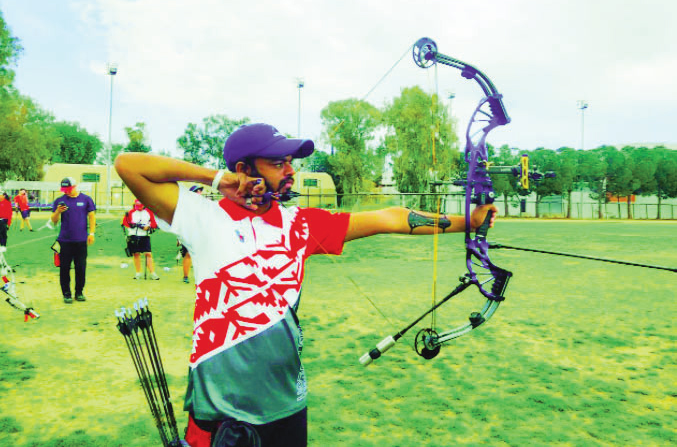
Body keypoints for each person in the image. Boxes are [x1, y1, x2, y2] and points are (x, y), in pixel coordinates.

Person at [115, 123, 497, 447]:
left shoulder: (300, 224)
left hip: (287, 405)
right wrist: (219, 180)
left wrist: (470, 221)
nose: (290, 171)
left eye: (291, 163)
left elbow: (389, 217)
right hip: (221, 409)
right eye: (278, 163)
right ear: (244, 169)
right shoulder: (202, 216)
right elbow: (128, 165)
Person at [51, 177, 96, 303]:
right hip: (64, 241)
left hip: (81, 241)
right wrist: (58, 212)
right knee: (64, 268)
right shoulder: (60, 201)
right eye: (64, 190)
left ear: (75, 186)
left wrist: (91, 233)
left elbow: (92, 217)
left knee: (80, 267)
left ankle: (79, 292)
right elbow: (54, 221)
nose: (66, 192)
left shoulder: (86, 199)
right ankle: (66, 293)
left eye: (69, 189)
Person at [122, 199, 160, 280]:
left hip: (145, 236)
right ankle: (138, 273)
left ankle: (152, 273)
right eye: (137, 206)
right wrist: (131, 225)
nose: (138, 208)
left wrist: (148, 227)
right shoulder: (130, 212)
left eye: (140, 206)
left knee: (148, 254)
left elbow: (154, 223)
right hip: (134, 235)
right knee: (136, 254)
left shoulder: (149, 212)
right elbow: (125, 222)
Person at [178, 185, 204, 283]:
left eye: (200, 191)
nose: (199, 192)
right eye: (197, 191)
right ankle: (185, 276)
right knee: (189, 254)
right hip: (189, 233)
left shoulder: (204, 206)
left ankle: (202, 276)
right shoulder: (186, 206)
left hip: (201, 233)